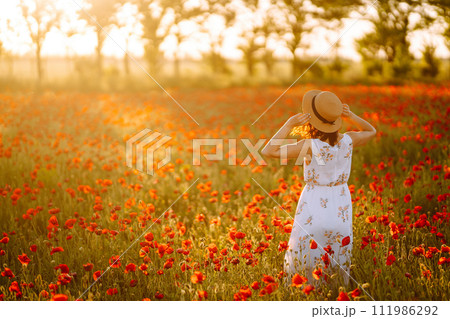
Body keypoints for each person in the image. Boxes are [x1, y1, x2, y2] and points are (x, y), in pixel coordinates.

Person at [261, 90, 377, 288]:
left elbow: (268, 151)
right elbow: (371, 131)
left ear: (312, 120)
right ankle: (334, 291)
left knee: (307, 252)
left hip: (314, 202)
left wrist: (289, 125)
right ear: (335, 118)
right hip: (340, 201)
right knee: (336, 251)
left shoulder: (309, 145)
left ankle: (306, 291)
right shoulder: (348, 140)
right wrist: (353, 116)